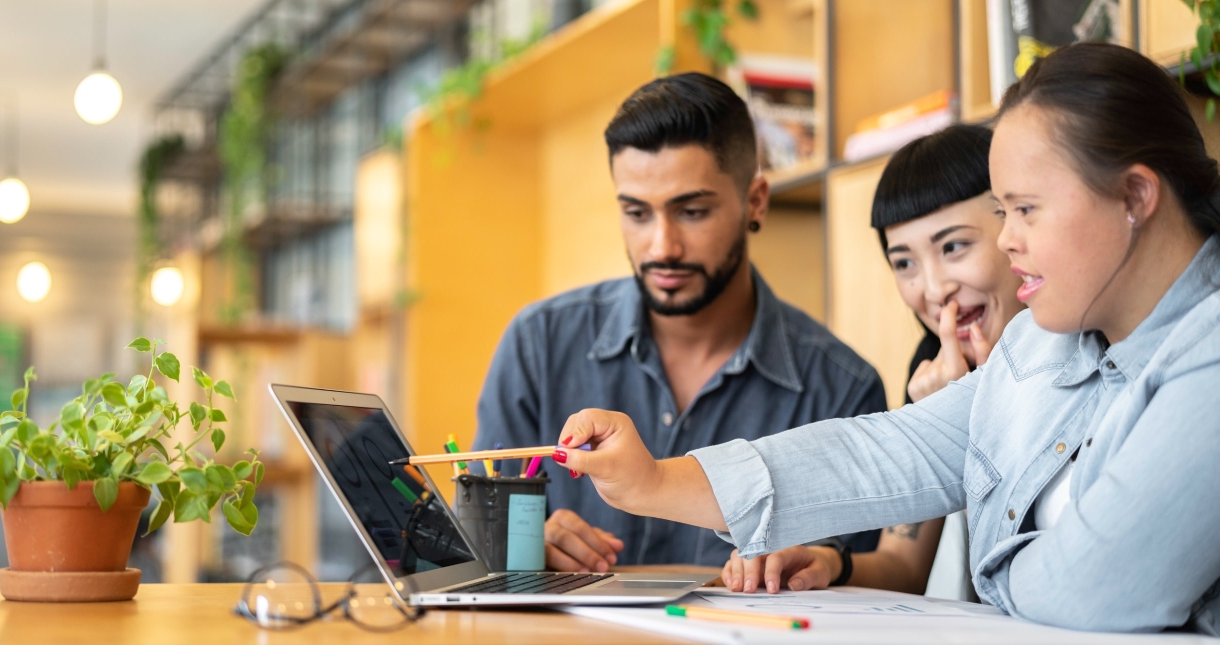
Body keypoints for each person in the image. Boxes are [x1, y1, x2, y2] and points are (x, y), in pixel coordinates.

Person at [549, 43, 1220, 634]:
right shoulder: (1047, 344)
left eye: (1025, 210)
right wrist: (656, 480)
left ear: (1134, 195)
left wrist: (995, 571)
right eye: (1003, 210)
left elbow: (1096, 587)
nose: (1008, 238)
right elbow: (885, 451)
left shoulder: (1208, 353)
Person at [471, 72, 897, 573]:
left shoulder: (841, 392)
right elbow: (477, 537)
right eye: (636, 213)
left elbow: (854, 587)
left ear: (755, 201)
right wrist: (519, 545)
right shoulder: (539, 344)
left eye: (691, 211)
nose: (661, 247)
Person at [722, 125, 1027, 596]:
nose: (932, 289)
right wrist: (829, 562)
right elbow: (903, 566)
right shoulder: (933, 369)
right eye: (904, 262)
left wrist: (981, 418)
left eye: (953, 247)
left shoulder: (1077, 350)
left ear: (1016, 228)